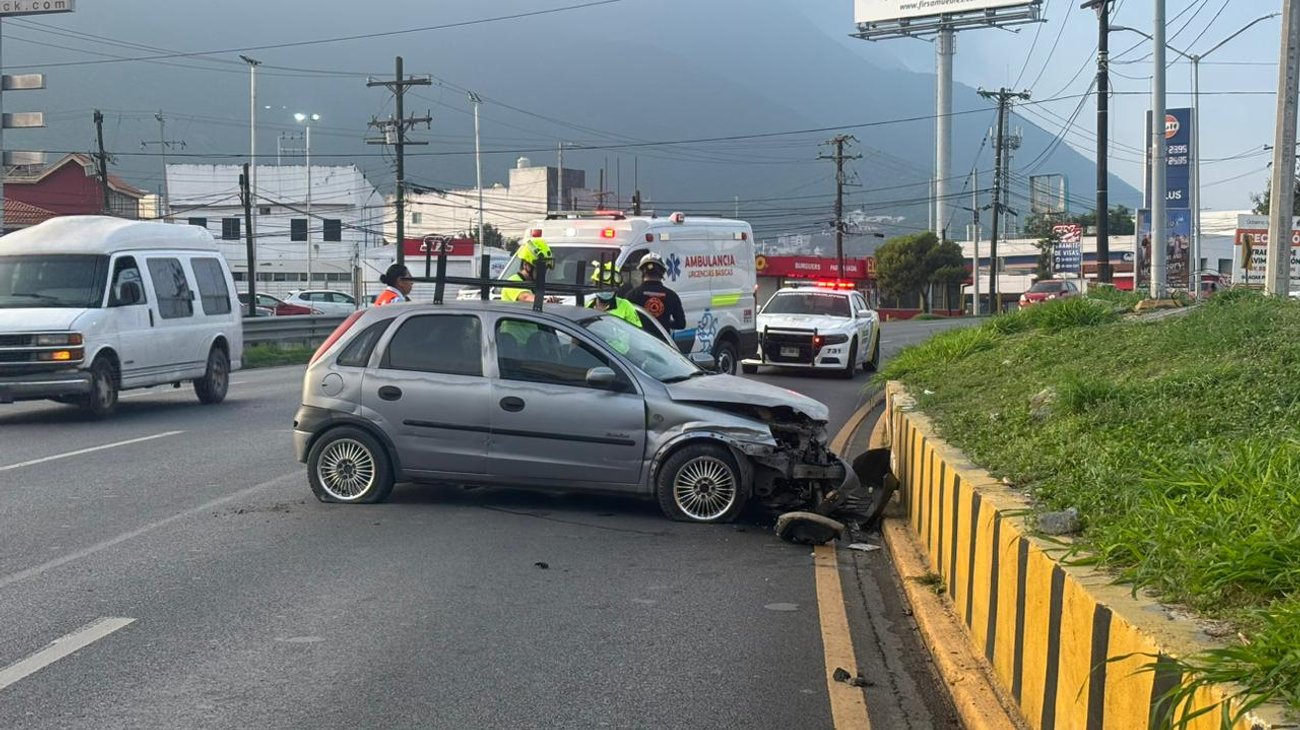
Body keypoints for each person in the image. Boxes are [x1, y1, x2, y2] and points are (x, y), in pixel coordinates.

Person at [626, 252, 686, 332]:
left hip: (637, 342)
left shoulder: (631, 295)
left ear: (642, 272)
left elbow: (624, 321)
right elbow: (681, 324)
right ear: (662, 272)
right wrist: (664, 323)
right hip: (662, 343)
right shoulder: (672, 296)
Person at [587, 260, 641, 327]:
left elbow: (637, 333)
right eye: (604, 286)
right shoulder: (587, 306)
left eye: (611, 287)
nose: (607, 290)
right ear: (595, 284)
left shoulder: (626, 307)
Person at [502, 239, 556, 304]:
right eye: (539, 269)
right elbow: (525, 297)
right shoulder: (513, 282)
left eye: (545, 269)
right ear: (526, 265)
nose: (543, 273)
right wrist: (544, 302)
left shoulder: (534, 284)